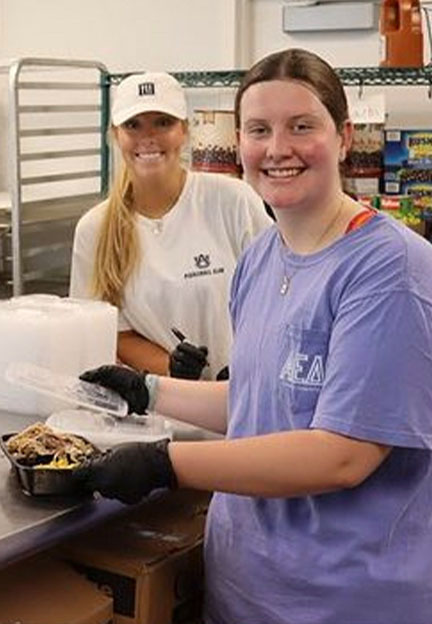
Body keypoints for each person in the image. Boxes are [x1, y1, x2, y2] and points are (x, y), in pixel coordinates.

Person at [77, 48, 432, 623]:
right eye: (259, 130)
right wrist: (148, 391)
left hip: (346, 598)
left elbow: (341, 454)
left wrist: (168, 463)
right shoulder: (263, 256)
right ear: (238, 144)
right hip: (245, 585)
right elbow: (267, 400)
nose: (278, 149)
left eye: (302, 127)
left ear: (343, 138)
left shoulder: (391, 269)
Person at [70, 72, 271, 380]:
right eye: (133, 125)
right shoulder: (95, 230)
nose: (147, 136)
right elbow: (110, 332)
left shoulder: (232, 201)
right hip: (157, 411)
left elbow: (281, 297)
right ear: (115, 135)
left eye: (163, 122)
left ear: (185, 131)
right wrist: (171, 368)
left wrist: (251, 361)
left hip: (246, 399)